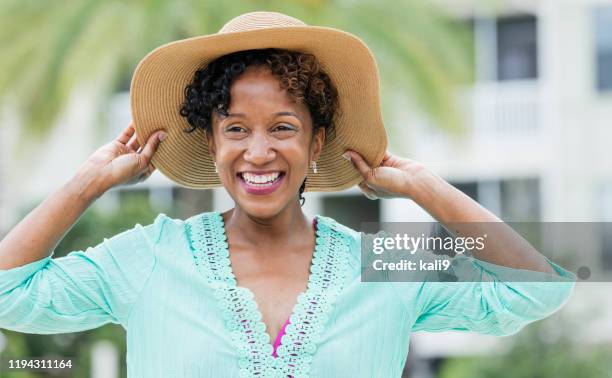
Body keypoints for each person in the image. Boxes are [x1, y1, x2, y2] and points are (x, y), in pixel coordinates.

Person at [0, 11, 575, 378]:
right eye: (235, 129)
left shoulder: (380, 263)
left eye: (282, 127)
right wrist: (88, 183)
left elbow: (535, 289)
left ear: (316, 141)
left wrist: (424, 187)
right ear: (211, 142)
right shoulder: (150, 257)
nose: (257, 152)